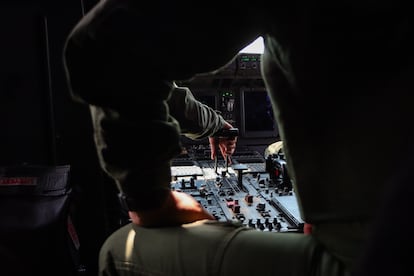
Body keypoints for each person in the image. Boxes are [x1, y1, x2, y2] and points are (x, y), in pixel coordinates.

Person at [63, 1, 414, 275]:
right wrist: (217, 126)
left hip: (371, 259)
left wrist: (150, 200)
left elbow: (109, 47)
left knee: (118, 249)